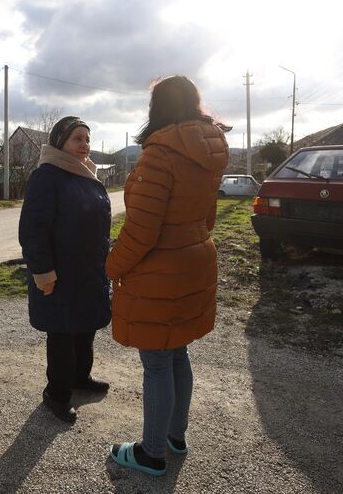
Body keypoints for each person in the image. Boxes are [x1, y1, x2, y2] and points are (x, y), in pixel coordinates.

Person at [106, 76, 230, 475]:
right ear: (194, 103)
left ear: (157, 107)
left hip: (160, 270)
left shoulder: (160, 154)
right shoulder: (210, 150)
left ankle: (151, 453)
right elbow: (207, 216)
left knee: (157, 361)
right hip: (195, 259)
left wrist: (112, 266)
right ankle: (175, 436)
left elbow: (141, 231)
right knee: (177, 351)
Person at [18, 116, 112, 423]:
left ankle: (79, 379)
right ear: (61, 142)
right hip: (59, 273)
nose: (84, 144)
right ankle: (56, 394)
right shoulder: (47, 176)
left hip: (87, 272)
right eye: (77, 138)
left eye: (87, 138)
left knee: (85, 329)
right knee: (61, 334)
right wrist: (42, 271)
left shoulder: (88, 176)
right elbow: (33, 228)